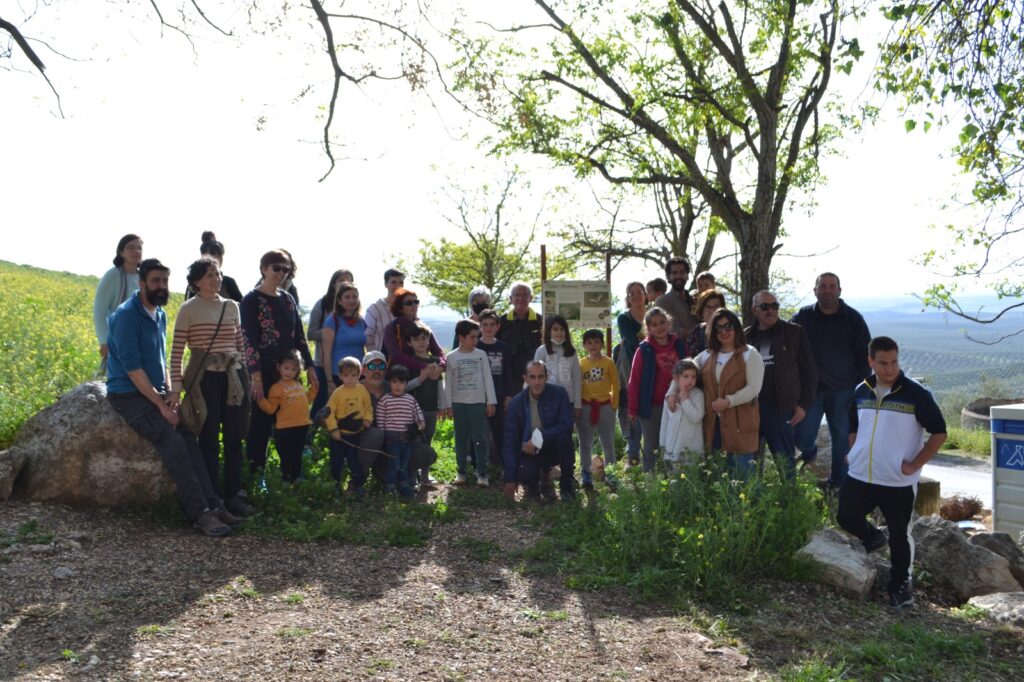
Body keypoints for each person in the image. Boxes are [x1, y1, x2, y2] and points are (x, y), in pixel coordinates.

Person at [106, 258, 238, 537]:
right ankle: (200, 514)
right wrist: (160, 406)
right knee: (171, 441)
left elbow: (162, 360)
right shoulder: (127, 316)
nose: (161, 286)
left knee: (189, 436)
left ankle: (214, 505)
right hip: (129, 395)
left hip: (153, 392)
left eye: (165, 281)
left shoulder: (159, 314)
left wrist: (170, 393)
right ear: (141, 283)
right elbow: (133, 370)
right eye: (155, 281)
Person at [837, 336, 947, 608]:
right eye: (883, 363)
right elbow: (853, 425)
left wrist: (914, 465)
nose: (890, 368)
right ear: (870, 361)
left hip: (897, 481)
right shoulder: (860, 390)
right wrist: (856, 452)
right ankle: (873, 536)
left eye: (894, 362)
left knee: (900, 534)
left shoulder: (916, 393)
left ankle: (901, 585)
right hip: (860, 474)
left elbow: (939, 432)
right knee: (845, 516)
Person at [170, 257, 253, 516]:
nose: (216, 279)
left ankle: (234, 494)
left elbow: (239, 344)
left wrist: (246, 375)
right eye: (209, 275)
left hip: (232, 376)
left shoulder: (231, 307)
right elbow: (177, 350)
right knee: (207, 438)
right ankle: (213, 497)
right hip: (205, 379)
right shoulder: (188, 309)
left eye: (217, 274)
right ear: (196, 282)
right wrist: (175, 385)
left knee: (233, 436)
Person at [791, 272, 872, 488]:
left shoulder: (853, 319)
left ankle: (838, 485)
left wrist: (861, 391)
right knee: (802, 438)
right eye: (823, 286)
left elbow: (865, 358)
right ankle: (810, 453)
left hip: (844, 391)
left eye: (832, 286)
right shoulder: (803, 317)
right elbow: (786, 343)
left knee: (843, 442)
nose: (827, 290)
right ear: (815, 290)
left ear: (839, 290)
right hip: (811, 391)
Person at [240, 249, 317, 475]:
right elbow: (249, 340)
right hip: (262, 374)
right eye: (277, 267)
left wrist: (310, 366)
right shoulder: (251, 300)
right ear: (264, 268)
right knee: (260, 427)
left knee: (291, 425)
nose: (281, 273)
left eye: (286, 269)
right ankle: (257, 476)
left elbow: (299, 336)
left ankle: (290, 475)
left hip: (290, 372)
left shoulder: (289, 299)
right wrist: (255, 376)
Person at [744, 290, 818, 479]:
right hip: (751, 407)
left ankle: (790, 503)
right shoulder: (745, 337)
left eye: (774, 306)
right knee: (750, 463)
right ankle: (755, 502)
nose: (771, 310)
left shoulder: (794, 332)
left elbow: (810, 372)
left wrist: (803, 405)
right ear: (755, 310)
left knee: (785, 465)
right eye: (765, 307)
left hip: (781, 408)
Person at [695, 308, 765, 478]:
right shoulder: (706, 356)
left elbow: (754, 388)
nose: (724, 331)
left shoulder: (750, 354)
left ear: (736, 328)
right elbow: (683, 372)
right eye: (718, 328)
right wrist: (673, 393)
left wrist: (728, 401)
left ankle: (746, 506)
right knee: (718, 476)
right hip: (713, 425)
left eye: (728, 326)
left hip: (741, 423)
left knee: (743, 478)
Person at [356, 352, 439, 488]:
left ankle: (396, 474)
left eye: (381, 366)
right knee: (375, 434)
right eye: (371, 366)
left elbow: (410, 412)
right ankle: (358, 479)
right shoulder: (353, 389)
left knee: (427, 454)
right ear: (363, 369)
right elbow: (327, 414)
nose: (377, 371)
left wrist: (414, 431)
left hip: (393, 442)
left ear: (386, 370)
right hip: (363, 444)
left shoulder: (394, 388)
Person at [502, 361, 576, 502]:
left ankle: (567, 487)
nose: (537, 382)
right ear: (526, 379)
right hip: (530, 451)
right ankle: (534, 483)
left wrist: (540, 437)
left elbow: (566, 424)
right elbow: (510, 441)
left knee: (564, 440)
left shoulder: (559, 394)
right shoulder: (516, 404)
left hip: (552, 446)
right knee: (525, 474)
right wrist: (510, 479)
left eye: (540, 377)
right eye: (532, 377)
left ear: (546, 377)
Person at [627, 307, 687, 472]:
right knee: (651, 445)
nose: (659, 327)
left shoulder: (679, 346)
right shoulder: (644, 350)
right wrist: (632, 409)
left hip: (676, 403)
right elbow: (634, 381)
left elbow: (689, 371)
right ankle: (650, 480)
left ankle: (673, 479)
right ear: (648, 328)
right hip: (651, 406)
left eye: (662, 322)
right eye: (654, 324)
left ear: (668, 323)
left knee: (673, 443)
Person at [445, 319, 498, 486]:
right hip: (459, 403)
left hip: (478, 403)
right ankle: (461, 472)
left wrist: (491, 401)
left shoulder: (480, 355)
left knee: (480, 438)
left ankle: (482, 473)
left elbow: (487, 379)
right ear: (461, 337)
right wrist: (447, 405)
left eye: (477, 337)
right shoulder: (451, 357)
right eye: (472, 337)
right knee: (461, 439)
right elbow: (448, 383)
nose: (476, 341)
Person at [257, 350, 317, 482]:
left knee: (297, 453)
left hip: (302, 425)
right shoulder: (276, 388)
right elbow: (271, 409)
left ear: (298, 370)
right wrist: (260, 399)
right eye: (286, 368)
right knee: (286, 455)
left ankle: (296, 477)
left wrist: (314, 389)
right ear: (279, 367)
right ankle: (286, 479)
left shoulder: (298, 384)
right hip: (284, 428)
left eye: (293, 369)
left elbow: (306, 400)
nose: (289, 372)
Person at [307, 269, 355, 421]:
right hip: (323, 363)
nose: (345, 284)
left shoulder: (353, 310)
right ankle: (309, 436)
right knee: (321, 401)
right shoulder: (322, 305)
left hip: (347, 366)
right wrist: (331, 332)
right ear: (334, 284)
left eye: (349, 281)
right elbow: (311, 333)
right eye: (342, 280)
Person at [324, 356, 373, 496]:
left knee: (354, 462)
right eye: (346, 375)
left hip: (355, 435)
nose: (350, 378)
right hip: (339, 435)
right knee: (336, 461)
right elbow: (328, 412)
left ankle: (357, 486)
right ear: (340, 376)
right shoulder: (337, 393)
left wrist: (367, 420)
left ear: (359, 374)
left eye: (353, 375)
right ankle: (335, 485)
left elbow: (368, 408)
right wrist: (333, 429)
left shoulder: (362, 390)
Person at [376, 364, 425, 498]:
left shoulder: (410, 400)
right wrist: (382, 436)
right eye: (394, 382)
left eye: (401, 382)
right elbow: (380, 418)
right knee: (395, 463)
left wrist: (421, 424)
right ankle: (390, 485)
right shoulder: (385, 400)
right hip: (392, 438)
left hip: (407, 438)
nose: (397, 385)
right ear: (389, 382)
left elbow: (417, 414)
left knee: (404, 463)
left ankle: (404, 485)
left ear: (406, 383)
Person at [578, 328, 619, 487]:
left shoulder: (608, 362)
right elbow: (578, 385)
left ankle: (612, 475)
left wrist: (614, 405)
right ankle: (586, 474)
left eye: (596, 342)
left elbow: (616, 384)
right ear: (584, 345)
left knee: (608, 443)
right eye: (589, 343)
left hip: (605, 407)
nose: (593, 345)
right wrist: (578, 406)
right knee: (585, 443)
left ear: (601, 344)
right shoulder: (581, 363)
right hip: (586, 406)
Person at [94, 233, 143, 364]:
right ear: (121, 252)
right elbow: (99, 311)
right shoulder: (113, 275)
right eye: (131, 247)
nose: (136, 251)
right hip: (117, 340)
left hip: (141, 341)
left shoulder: (144, 277)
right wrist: (104, 342)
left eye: (139, 248)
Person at [477, 309, 514, 466]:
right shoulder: (476, 346)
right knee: (479, 432)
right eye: (485, 324)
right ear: (480, 326)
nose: (488, 328)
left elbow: (507, 372)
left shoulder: (503, 347)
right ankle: (479, 464)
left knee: (500, 431)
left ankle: (503, 464)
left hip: (499, 394)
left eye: (492, 324)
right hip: (479, 395)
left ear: (498, 326)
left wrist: (508, 396)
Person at [615, 282, 646, 463]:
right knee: (631, 408)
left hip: (654, 367)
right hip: (630, 367)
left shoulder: (653, 315)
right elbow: (633, 341)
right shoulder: (623, 318)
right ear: (627, 298)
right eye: (631, 293)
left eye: (639, 292)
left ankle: (651, 456)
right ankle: (632, 455)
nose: (635, 296)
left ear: (645, 295)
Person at [322, 282, 368, 395]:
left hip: (359, 375)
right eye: (347, 297)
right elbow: (326, 353)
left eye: (354, 297)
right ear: (339, 301)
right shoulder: (332, 321)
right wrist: (329, 381)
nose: (351, 300)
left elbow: (365, 348)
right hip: (340, 376)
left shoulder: (361, 321)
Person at [533, 315, 582, 417]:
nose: (559, 332)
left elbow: (577, 379)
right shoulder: (542, 350)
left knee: (566, 430)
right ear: (548, 331)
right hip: (547, 400)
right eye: (555, 329)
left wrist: (577, 405)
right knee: (548, 431)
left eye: (562, 329)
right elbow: (535, 377)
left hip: (568, 400)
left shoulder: (571, 352)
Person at [660, 359, 705, 468]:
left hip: (690, 446)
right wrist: (662, 444)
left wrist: (685, 400)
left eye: (693, 377)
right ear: (676, 378)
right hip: (672, 446)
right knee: (675, 478)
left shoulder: (698, 395)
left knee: (690, 477)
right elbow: (664, 422)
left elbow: (697, 417)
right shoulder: (670, 397)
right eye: (686, 376)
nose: (690, 380)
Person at [497, 281, 543, 380]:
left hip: (535, 376)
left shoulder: (541, 321)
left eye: (525, 295)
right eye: (517, 295)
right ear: (510, 299)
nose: (520, 298)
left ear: (531, 298)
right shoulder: (501, 321)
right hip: (508, 374)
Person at [184, 232, 244, 302]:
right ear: (203, 256)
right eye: (213, 254)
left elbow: (242, 308)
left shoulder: (229, 282)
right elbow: (188, 308)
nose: (216, 258)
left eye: (219, 255)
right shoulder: (194, 284)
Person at [654, 256, 699, 338]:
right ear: (668, 277)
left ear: (687, 276)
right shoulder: (662, 302)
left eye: (682, 272)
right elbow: (673, 330)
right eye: (674, 273)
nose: (679, 276)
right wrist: (700, 333)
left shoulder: (695, 299)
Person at [365, 268, 405, 352]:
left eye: (401, 282)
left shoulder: (407, 307)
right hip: (381, 358)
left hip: (405, 358)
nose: (398, 286)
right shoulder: (374, 309)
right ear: (386, 284)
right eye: (393, 282)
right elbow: (368, 336)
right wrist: (374, 357)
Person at [686, 288, 727, 357]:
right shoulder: (696, 332)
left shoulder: (729, 330)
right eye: (708, 307)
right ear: (701, 311)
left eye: (716, 306)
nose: (712, 310)